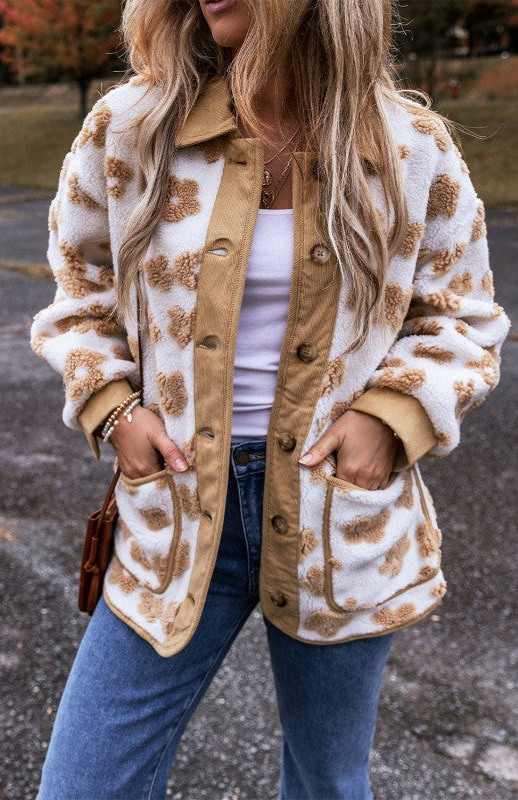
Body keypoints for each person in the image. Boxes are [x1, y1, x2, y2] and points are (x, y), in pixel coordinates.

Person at [29, 1, 510, 797]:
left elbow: (461, 317)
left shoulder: (408, 148)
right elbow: (80, 295)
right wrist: (113, 407)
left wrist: (388, 419)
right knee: (85, 783)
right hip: (174, 512)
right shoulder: (131, 130)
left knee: (327, 783)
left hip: (341, 526)